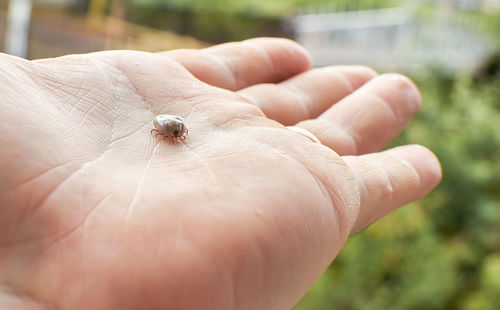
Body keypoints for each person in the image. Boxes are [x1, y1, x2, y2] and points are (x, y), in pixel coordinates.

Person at [0, 38, 441, 309]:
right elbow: (165, 126)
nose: (177, 136)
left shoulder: (172, 126)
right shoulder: (165, 126)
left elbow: (169, 126)